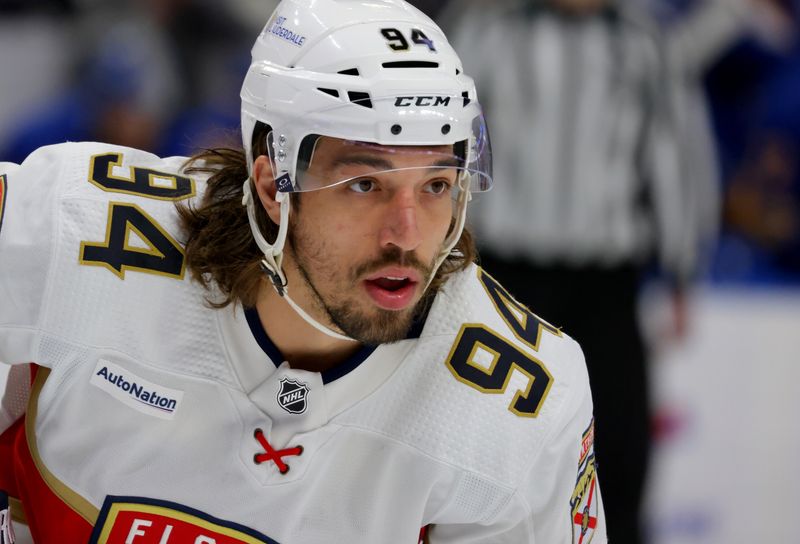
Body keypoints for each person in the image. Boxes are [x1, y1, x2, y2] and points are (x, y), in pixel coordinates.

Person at [0, 0, 606, 542]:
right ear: (272, 185)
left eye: (436, 186)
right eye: (365, 184)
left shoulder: (519, 399)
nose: (407, 234)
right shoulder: (77, 228)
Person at [440, 0, 716, 541]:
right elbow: (446, 144)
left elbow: (678, 155)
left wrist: (683, 266)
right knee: (481, 435)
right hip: (501, 277)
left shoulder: (645, 43)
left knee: (616, 442)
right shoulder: (482, 28)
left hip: (604, 282)